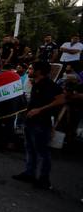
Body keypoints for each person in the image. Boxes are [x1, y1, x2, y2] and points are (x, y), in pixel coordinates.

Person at [12, 61, 65, 190]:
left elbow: (61, 99)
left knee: (42, 152)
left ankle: (44, 179)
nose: (28, 71)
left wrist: (40, 109)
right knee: (30, 149)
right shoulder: (36, 83)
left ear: (39, 71)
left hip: (41, 124)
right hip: (30, 122)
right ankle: (30, 173)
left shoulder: (49, 84)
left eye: (31, 69)